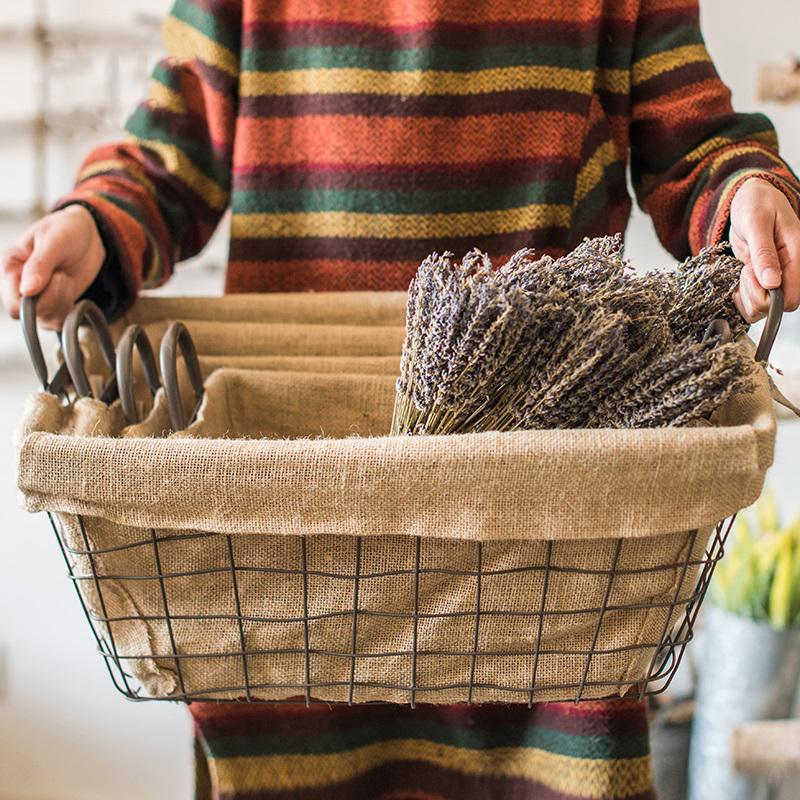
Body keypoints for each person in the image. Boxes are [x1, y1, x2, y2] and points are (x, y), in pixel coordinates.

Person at [2, 1, 799, 797]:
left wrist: (746, 197)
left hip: (546, 564)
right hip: (293, 566)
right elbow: (168, 154)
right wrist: (97, 224)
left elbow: (694, 143)